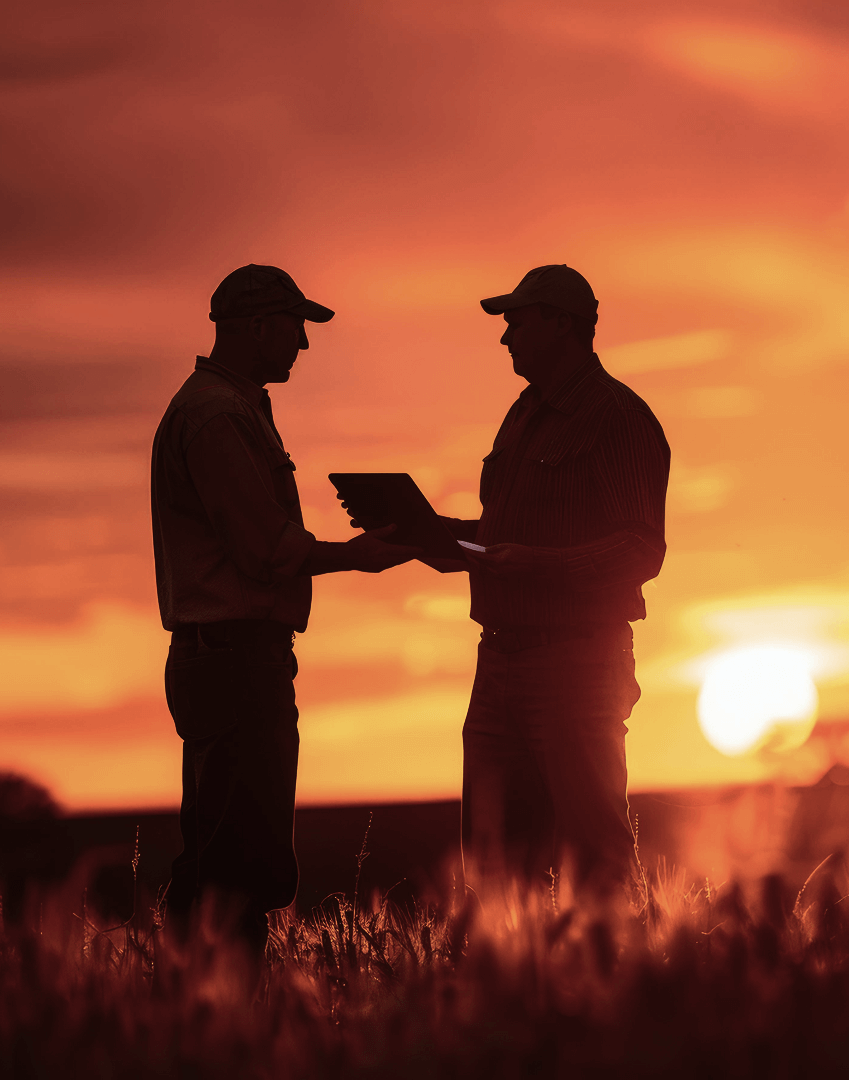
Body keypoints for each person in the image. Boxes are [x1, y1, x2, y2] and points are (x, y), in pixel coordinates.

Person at [150, 263, 419, 950]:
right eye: (295, 326)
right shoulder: (216, 416)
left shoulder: (224, 406)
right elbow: (263, 549)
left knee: (231, 850)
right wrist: (356, 554)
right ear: (257, 326)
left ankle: (197, 1009)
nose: (301, 343)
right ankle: (211, 1014)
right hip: (235, 660)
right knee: (236, 861)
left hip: (231, 660)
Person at [441, 264, 670, 891]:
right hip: (499, 669)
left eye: (517, 321)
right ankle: (513, 987)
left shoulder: (618, 418)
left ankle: (616, 986)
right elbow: (502, 533)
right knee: (492, 874)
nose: (505, 337)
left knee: (594, 866)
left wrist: (535, 564)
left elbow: (641, 548)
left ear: (562, 324)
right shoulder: (522, 416)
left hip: (576, 670)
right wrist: (433, 535)